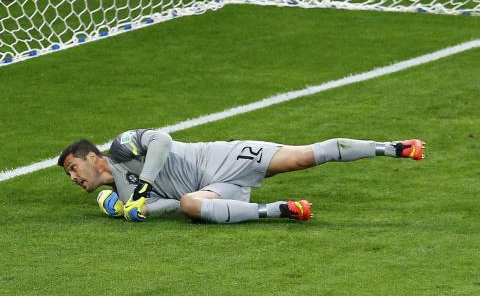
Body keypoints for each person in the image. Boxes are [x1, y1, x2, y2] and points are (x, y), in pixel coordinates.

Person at [58, 130, 425, 223]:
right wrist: (142, 208)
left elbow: (163, 140)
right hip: (214, 189)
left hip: (224, 157)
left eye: (73, 167)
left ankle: (393, 147)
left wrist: (144, 188)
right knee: (190, 206)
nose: (73, 177)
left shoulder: (121, 147)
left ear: (93, 157)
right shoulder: (124, 196)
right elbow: (170, 203)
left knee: (302, 157)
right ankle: (279, 211)